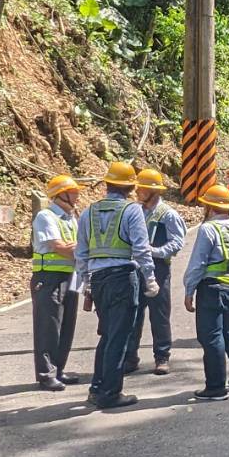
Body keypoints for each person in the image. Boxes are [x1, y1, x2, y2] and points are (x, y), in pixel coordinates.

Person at [76, 161, 159, 409]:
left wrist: (87, 284)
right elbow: (141, 248)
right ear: (131, 187)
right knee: (119, 337)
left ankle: (97, 387)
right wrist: (151, 278)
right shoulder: (131, 211)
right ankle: (110, 393)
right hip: (123, 277)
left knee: (107, 334)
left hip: (99, 279)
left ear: (108, 184)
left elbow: (81, 253)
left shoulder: (88, 212)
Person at [183, 183, 229, 400]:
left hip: (211, 289)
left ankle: (215, 387)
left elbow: (198, 263)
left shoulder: (208, 229)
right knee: (228, 333)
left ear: (209, 208)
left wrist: (189, 290)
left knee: (211, 337)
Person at [124, 168, 186, 375]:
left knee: (159, 315)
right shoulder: (136, 211)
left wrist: (155, 251)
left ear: (152, 191)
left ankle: (162, 357)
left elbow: (177, 242)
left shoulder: (168, 214)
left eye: (141, 189)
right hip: (136, 269)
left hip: (159, 269)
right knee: (133, 314)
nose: (138, 192)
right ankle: (130, 358)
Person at [30, 174, 84, 391]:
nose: (78, 195)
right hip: (48, 278)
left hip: (70, 275)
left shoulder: (71, 217)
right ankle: (46, 374)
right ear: (62, 195)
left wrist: (76, 248)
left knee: (67, 326)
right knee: (48, 326)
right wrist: (80, 249)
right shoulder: (46, 216)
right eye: (74, 192)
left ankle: (58, 369)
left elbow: (75, 246)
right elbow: (59, 246)